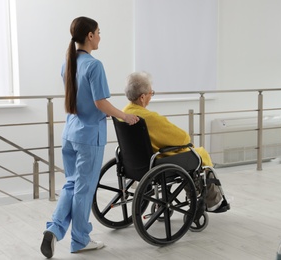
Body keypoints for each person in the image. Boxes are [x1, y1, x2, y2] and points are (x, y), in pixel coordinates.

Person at [40, 17, 139, 259]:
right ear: (90, 36)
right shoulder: (94, 65)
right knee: (83, 190)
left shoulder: (68, 63)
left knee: (71, 185)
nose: (100, 36)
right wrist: (124, 117)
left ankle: (54, 229)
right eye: (98, 32)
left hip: (70, 132)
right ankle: (80, 240)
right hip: (88, 136)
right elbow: (100, 103)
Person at [123, 71, 229, 213]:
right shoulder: (149, 118)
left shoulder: (124, 114)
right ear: (142, 97)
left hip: (134, 162)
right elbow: (183, 138)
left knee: (188, 153)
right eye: (151, 93)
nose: (151, 96)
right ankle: (212, 201)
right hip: (157, 162)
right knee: (198, 155)